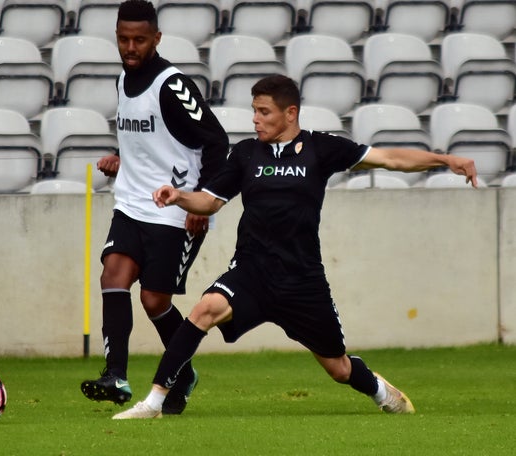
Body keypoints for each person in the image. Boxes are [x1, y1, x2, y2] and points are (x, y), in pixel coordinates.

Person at [112, 74, 479, 419]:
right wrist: (178, 197)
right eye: (253, 111)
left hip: (301, 280)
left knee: (338, 367)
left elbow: (390, 158)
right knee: (205, 309)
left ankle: (381, 392)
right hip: (252, 271)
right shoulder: (245, 154)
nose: (255, 119)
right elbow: (209, 201)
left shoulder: (322, 148)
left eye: (264, 111)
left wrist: (446, 160)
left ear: (290, 113)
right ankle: (155, 401)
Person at [80, 0, 229, 414]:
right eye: (124, 39)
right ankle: (116, 376)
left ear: (156, 39)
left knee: (154, 301)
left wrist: (203, 200)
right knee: (112, 275)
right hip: (131, 203)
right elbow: (149, 141)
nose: (131, 47)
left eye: (140, 40)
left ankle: (184, 373)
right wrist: (120, 158)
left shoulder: (172, 85)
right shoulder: (121, 82)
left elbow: (216, 142)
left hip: (175, 211)